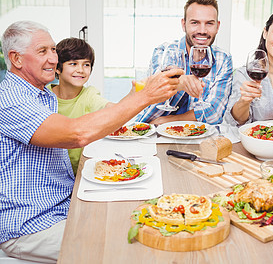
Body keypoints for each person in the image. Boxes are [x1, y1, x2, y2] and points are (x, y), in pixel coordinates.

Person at [0, 20, 182, 262]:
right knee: (125, 248)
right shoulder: (12, 99)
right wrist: (146, 96)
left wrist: (141, 95)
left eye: (53, 50)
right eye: (42, 51)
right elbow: (76, 134)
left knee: (140, 216)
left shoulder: (41, 92)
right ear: (17, 59)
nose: (53, 59)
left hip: (63, 201)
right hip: (30, 223)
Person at [137, 0, 233, 125]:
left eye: (209, 24)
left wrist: (167, 121)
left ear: (217, 26)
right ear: (184, 24)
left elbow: (214, 114)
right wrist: (180, 82)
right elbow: (155, 89)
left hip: (196, 136)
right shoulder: (165, 51)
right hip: (150, 130)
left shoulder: (223, 59)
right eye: (195, 22)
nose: (202, 30)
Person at [47, 38, 116, 174]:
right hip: (52, 173)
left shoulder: (89, 95)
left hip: (82, 171)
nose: (81, 70)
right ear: (58, 68)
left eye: (86, 65)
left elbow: (111, 109)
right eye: (73, 64)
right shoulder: (45, 96)